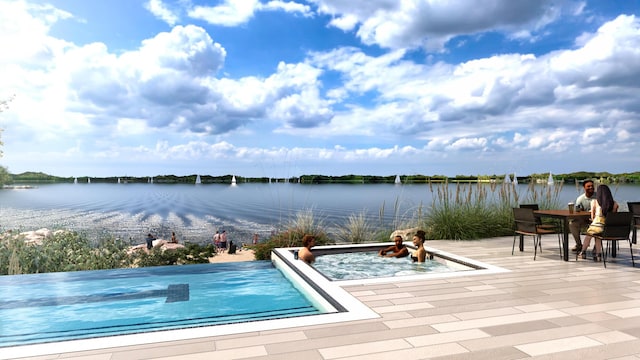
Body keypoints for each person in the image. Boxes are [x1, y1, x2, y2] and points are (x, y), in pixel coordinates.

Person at [578, 184, 618, 261]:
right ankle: (598, 255)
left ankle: (582, 252)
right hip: (607, 229)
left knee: (590, 233)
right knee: (597, 235)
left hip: (597, 226)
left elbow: (593, 218)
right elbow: (614, 218)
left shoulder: (595, 202)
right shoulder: (615, 204)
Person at [569, 180, 596, 251]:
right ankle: (579, 244)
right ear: (584, 188)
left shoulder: (599, 196)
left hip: (596, 220)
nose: (591, 187)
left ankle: (597, 247)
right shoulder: (580, 199)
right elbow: (578, 211)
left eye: (592, 186)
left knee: (599, 225)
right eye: (588, 186)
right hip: (584, 219)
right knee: (572, 224)